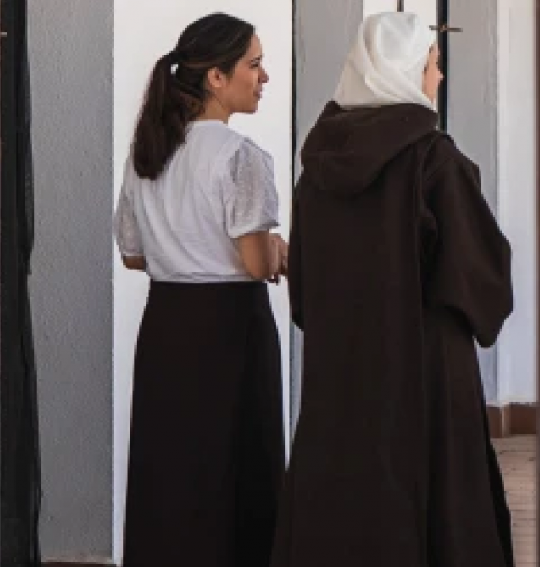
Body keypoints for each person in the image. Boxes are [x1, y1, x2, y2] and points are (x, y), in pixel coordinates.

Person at [270, 12, 515, 567]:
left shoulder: (317, 168)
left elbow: (305, 286)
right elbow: (478, 273)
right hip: (427, 368)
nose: (439, 76)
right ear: (406, 71)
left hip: (341, 366)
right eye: (432, 64)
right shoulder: (434, 159)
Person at [112, 13, 287, 567]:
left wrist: (181, 247)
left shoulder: (146, 154)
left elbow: (133, 254)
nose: (264, 77)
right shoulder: (240, 156)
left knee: (169, 470)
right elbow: (257, 264)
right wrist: (280, 250)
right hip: (231, 330)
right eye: (254, 65)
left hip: (166, 327)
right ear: (216, 76)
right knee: (239, 469)